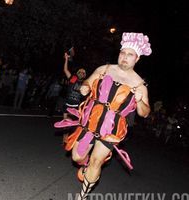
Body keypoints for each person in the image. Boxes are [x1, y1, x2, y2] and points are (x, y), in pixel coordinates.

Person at [54, 32, 152, 199]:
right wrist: (85, 87)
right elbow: (88, 82)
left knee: (96, 161)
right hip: (90, 120)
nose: (125, 57)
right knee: (77, 156)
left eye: (130, 55)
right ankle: (86, 168)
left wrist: (140, 101)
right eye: (123, 53)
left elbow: (145, 113)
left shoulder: (139, 84)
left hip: (111, 129)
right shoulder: (104, 69)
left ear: (137, 58)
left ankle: (82, 195)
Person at [61, 50, 87, 144]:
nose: (81, 73)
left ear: (85, 75)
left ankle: (73, 140)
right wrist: (66, 59)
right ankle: (65, 139)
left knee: (76, 125)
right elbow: (65, 70)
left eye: (83, 72)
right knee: (65, 123)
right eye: (80, 71)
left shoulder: (86, 83)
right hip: (67, 105)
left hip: (76, 107)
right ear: (77, 73)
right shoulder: (73, 79)